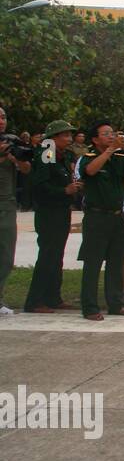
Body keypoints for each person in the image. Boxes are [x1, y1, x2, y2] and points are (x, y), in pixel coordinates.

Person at [77, 122, 124, 320]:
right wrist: (111, 149)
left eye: (112, 133)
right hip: (96, 217)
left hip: (117, 216)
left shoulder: (119, 158)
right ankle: (90, 307)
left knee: (116, 262)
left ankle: (116, 304)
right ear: (95, 139)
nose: (111, 136)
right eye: (106, 134)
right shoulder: (88, 158)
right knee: (92, 263)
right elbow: (91, 171)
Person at [23, 120, 82, 312]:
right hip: (49, 212)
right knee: (48, 255)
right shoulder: (48, 151)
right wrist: (64, 191)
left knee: (57, 255)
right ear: (53, 137)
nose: (69, 138)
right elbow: (40, 185)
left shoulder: (62, 155)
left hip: (61, 211)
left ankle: (53, 297)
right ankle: (35, 301)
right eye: (65, 135)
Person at [0, 106, 34, 315]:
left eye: (3, 117)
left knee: (5, 254)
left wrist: (17, 159)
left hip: (7, 204)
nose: (1, 121)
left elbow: (27, 169)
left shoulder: (11, 142)